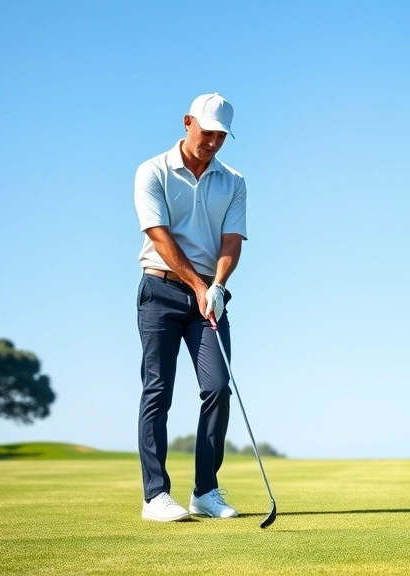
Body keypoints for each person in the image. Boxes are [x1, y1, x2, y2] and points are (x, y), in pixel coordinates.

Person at [133, 93, 248, 522]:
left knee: (218, 388)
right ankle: (155, 497)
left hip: (208, 299)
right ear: (187, 122)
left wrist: (217, 285)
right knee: (158, 391)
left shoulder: (233, 181)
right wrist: (198, 283)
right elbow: (159, 235)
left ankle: (206, 490)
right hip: (159, 292)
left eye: (221, 136)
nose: (213, 142)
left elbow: (231, 241)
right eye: (208, 132)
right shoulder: (153, 171)